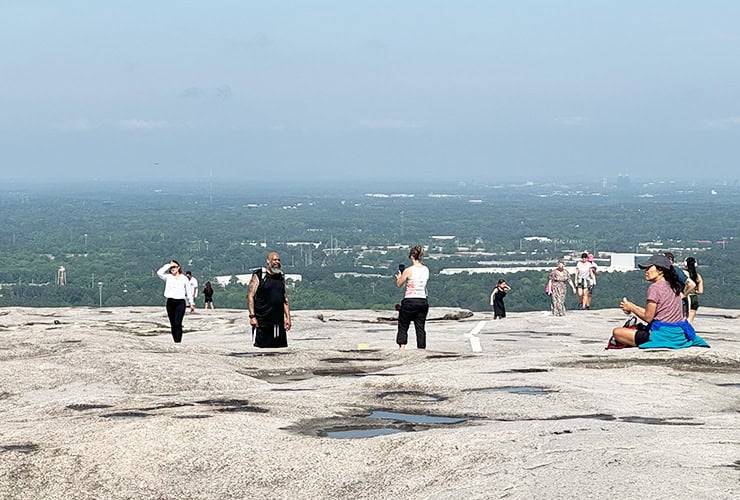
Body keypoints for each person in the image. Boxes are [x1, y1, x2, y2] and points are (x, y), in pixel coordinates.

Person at [611, 254, 709, 349]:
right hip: (679, 333)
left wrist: (631, 307)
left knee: (617, 332)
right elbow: (655, 313)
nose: (646, 271)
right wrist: (632, 307)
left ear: (660, 270)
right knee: (637, 329)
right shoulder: (673, 285)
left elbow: (648, 317)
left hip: (663, 335)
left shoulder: (655, 288)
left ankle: (627, 337)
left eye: (649, 268)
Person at [247, 252, 291, 348]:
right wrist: (252, 316)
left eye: (278, 260)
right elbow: (250, 295)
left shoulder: (280, 276)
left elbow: (284, 299)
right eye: (274, 260)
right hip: (262, 321)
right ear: (268, 261)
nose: (277, 262)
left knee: (279, 350)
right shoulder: (259, 275)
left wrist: (288, 318)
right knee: (261, 349)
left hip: (278, 321)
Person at [396, 245, 430, 349]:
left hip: (410, 300)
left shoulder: (408, 270)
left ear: (411, 257)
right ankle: (421, 348)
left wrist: (399, 277)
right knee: (420, 327)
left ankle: (402, 347)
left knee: (403, 324)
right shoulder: (426, 269)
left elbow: (399, 284)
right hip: (422, 300)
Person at [156, 260, 193, 343]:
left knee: (178, 323)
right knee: (173, 323)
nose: (173, 268)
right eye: (171, 267)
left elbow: (188, 291)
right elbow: (159, 273)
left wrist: (191, 303)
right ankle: (175, 341)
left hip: (180, 302)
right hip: (170, 302)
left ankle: (178, 340)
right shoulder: (168, 277)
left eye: (174, 267)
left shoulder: (184, 278)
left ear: (178, 267)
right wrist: (168, 265)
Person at [664, 252, 695, 317]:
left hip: (678, 305)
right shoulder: (667, 271)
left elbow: (691, 284)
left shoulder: (675, 270)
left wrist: (684, 295)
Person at [685, 257, 704, 324]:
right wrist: (694, 291)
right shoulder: (698, 276)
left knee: (683, 319)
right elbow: (700, 291)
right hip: (694, 298)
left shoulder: (683, 274)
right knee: (690, 320)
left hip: (685, 298)